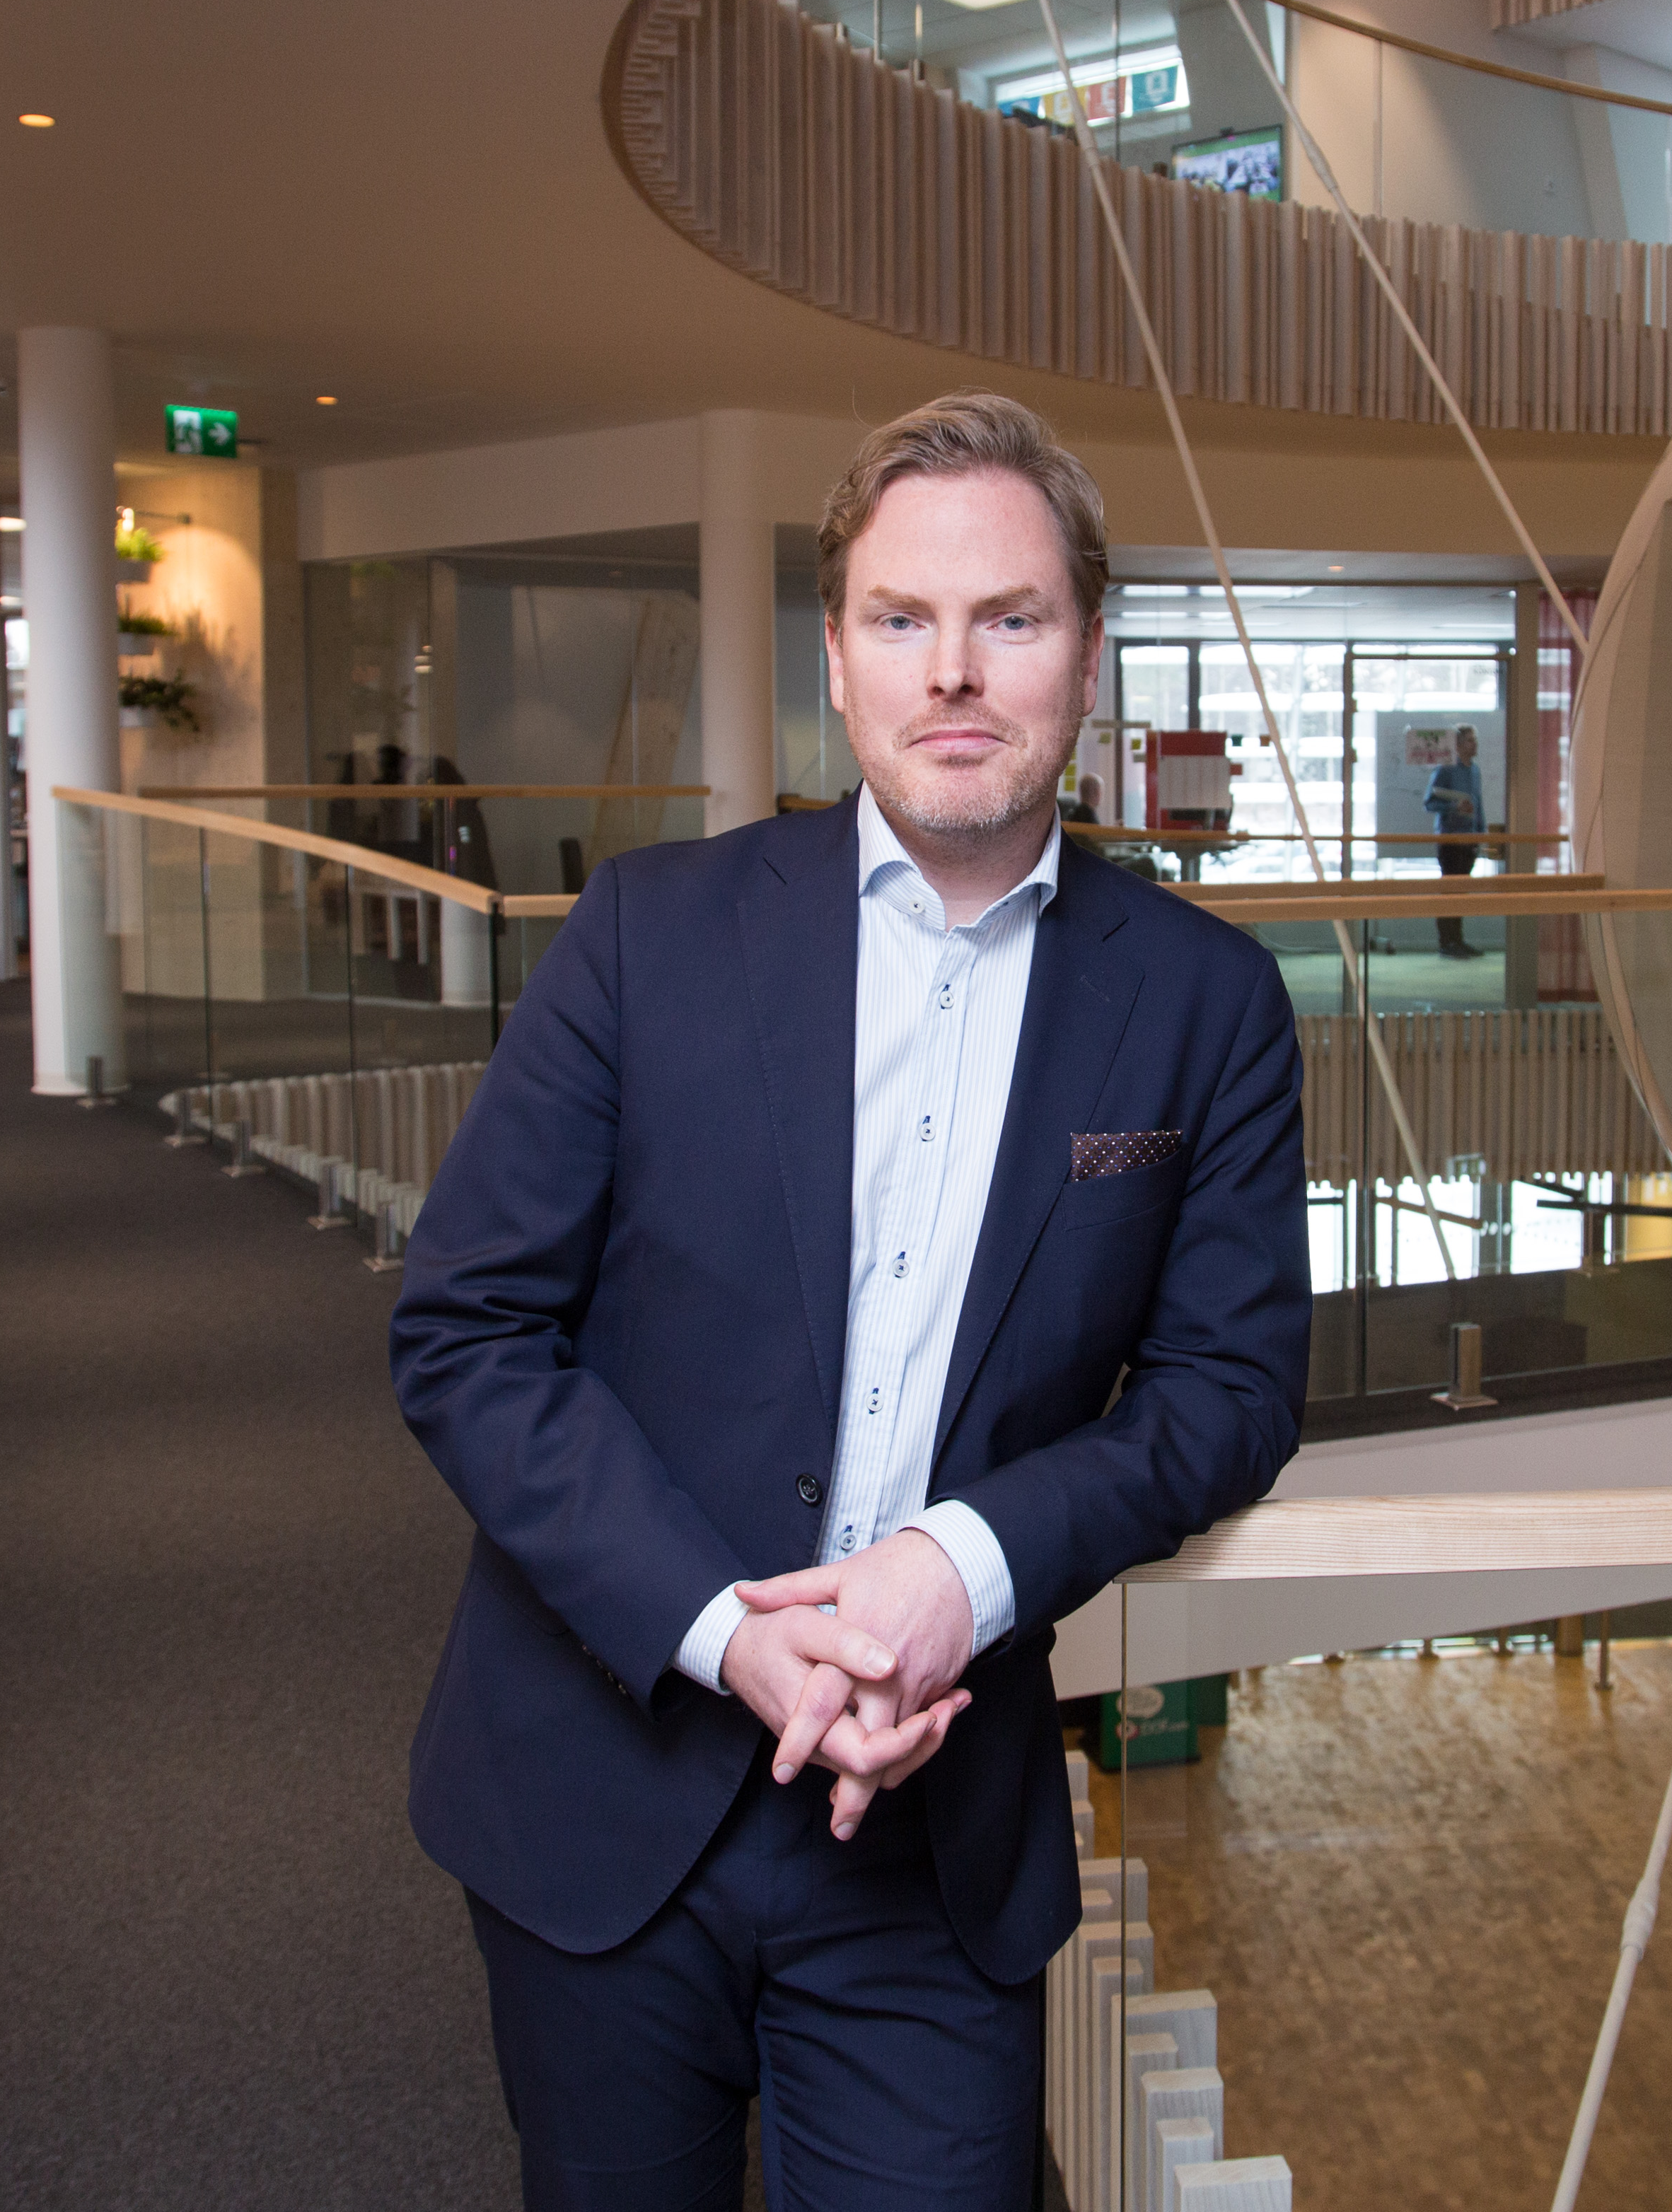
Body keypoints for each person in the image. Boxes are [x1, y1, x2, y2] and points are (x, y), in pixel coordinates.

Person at [392, 390, 1310, 2207]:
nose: (954, 671)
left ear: (1087, 654)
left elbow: (1228, 1391)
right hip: (601, 1781)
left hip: (931, 1839)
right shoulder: (647, 938)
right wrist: (728, 1628)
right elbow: (467, 1332)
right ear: (838, 658)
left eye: (1011, 619)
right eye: (903, 620)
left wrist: (952, 1576)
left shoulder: (1205, 1006)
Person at [1423, 722, 1487, 959]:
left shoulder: (1475, 770)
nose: (1475, 744)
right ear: (1459, 744)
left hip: (1469, 840)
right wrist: (1454, 806)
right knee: (1450, 891)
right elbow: (1430, 803)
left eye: (1475, 740)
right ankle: (1446, 942)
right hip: (1450, 840)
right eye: (1471, 740)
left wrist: (1481, 831)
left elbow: (1478, 802)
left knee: (1461, 893)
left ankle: (1458, 940)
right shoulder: (1446, 770)